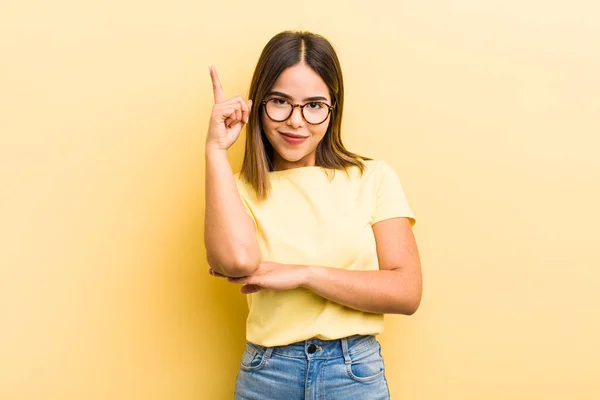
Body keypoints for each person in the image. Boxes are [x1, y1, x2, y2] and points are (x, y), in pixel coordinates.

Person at [204, 31, 422, 400]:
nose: (295, 121)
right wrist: (214, 150)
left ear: (333, 108)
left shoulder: (373, 178)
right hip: (268, 374)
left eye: (314, 105)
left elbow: (406, 292)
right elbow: (237, 261)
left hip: (353, 374)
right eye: (280, 102)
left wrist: (304, 275)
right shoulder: (237, 189)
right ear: (258, 104)